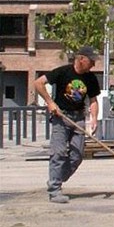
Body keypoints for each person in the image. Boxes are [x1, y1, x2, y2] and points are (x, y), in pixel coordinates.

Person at [33, 46, 101, 203]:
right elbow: (38, 83)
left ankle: (56, 179)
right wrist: (50, 103)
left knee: (77, 156)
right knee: (59, 153)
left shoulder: (91, 78)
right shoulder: (63, 72)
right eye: (91, 61)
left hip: (78, 119)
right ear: (81, 59)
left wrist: (94, 118)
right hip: (61, 117)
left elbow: (93, 100)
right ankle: (55, 190)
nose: (93, 65)